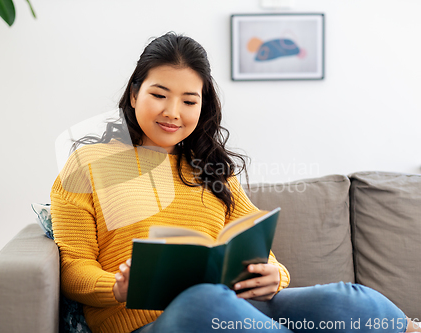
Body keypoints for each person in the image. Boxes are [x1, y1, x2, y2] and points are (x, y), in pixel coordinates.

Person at [51, 32, 418, 333]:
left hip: (237, 310)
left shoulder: (212, 169)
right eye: (159, 95)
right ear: (134, 95)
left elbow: (255, 248)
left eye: (189, 101)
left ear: (202, 106)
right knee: (204, 302)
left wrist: (277, 275)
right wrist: (116, 288)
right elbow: (72, 268)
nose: (172, 112)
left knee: (342, 299)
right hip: (157, 322)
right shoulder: (87, 165)